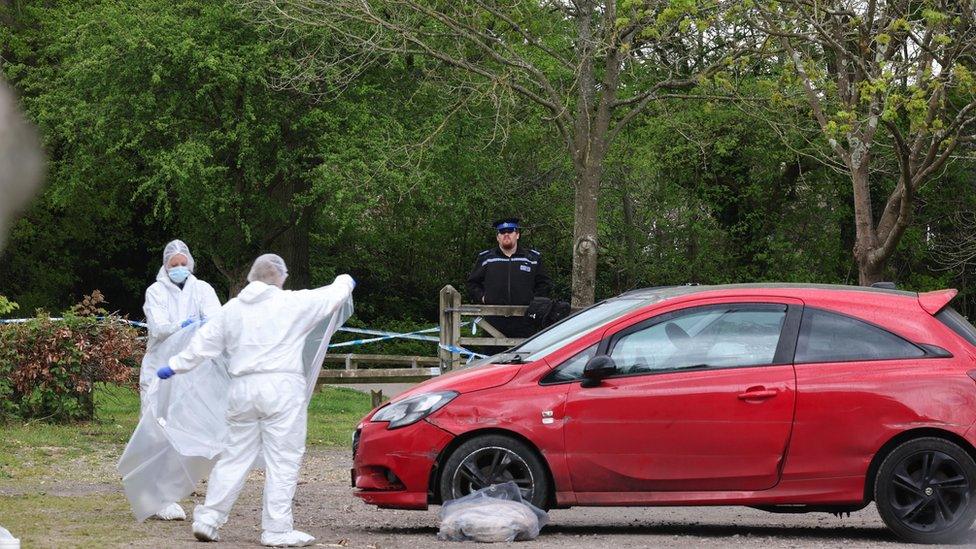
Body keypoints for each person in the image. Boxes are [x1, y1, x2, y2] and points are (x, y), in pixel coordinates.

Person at [156, 254, 355, 547]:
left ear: (251, 277)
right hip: (282, 388)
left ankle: (209, 519)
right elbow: (328, 297)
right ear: (280, 278)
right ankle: (276, 529)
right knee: (283, 459)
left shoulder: (232, 309)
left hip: (243, 390)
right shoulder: (291, 303)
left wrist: (174, 366)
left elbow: (202, 345)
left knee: (235, 456)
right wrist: (345, 281)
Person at [140, 239, 222, 521]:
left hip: (191, 373)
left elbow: (216, 322)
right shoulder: (155, 292)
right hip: (159, 370)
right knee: (156, 431)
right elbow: (159, 328)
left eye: (182, 264)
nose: (178, 268)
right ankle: (154, 497)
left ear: (190, 263)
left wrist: (199, 328)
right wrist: (183, 326)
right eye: (173, 265)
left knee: (184, 432)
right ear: (165, 266)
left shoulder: (202, 290)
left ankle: (171, 493)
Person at [466, 218, 552, 337]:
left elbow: (544, 283)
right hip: (493, 320)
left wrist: (534, 302)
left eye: (510, 231)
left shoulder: (532, 258)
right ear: (497, 237)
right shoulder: (486, 258)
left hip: (525, 320)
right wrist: (483, 298)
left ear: (517, 235)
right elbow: (472, 283)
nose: (506, 234)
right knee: (492, 355)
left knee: (524, 354)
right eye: (502, 232)